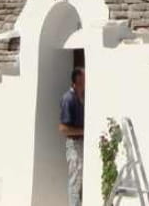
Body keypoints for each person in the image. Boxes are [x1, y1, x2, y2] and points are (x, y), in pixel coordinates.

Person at [58, 67, 85, 206]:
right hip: (74, 145)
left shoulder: (81, 98)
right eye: (83, 79)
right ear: (77, 81)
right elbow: (63, 129)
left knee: (80, 181)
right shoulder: (69, 99)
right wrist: (84, 131)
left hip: (80, 144)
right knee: (75, 182)